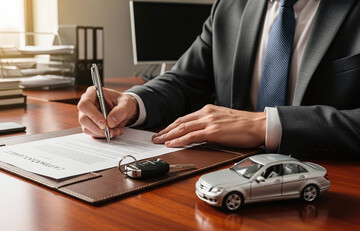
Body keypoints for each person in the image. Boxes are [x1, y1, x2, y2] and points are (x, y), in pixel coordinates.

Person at [78, 0, 360, 158]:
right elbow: (185, 80)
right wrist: (134, 102)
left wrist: (266, 124)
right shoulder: (229, 7)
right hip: (225, 171)